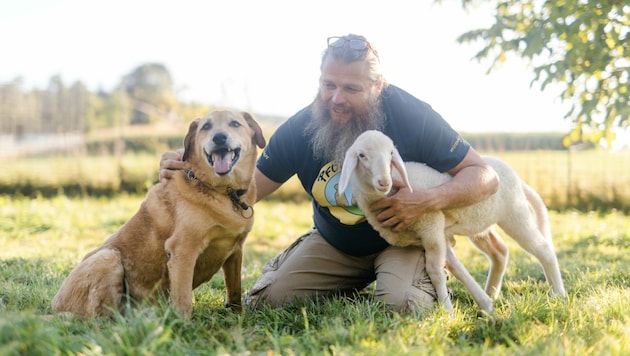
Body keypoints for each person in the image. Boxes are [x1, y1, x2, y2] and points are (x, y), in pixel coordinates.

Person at [159, 34, 499, 312]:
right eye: (328, 85)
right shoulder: (300, 129)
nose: (336, 98)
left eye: (351, 89)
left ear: (377, 85)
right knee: (268, 301)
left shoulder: (413, 115)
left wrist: (424, 200)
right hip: (336, 244)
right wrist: (190, 170)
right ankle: (345, 280)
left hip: (405, 241)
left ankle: (412, 276)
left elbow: (484, 175)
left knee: (404, 305)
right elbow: (246, 193)